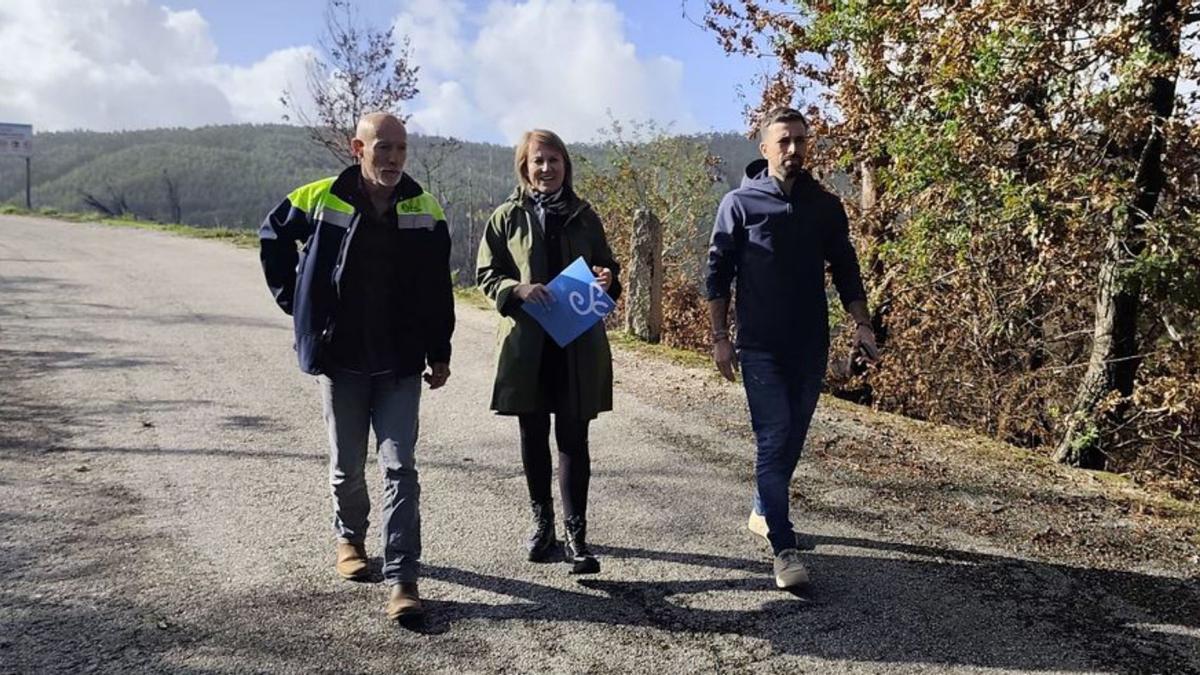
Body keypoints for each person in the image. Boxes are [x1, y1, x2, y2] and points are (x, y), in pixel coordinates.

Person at [259, 112, 454, 620]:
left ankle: (403, 577)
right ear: (357, 147)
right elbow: (272, 236)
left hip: (399, 363)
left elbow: (438, 289)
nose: (392, 158)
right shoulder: (321, 197)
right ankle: (350, 540)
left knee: (399, 469)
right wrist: (297, 304)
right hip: (340, 358)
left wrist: (441, 351)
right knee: (347, 467)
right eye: (382, 147)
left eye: (400, 149)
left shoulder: (425, 208)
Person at [705, 106, 879, 590]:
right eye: (783, 141)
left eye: (801, 141)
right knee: (773, 437)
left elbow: (846, 268)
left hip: (810, 345)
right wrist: (720, 338)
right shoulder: (739, 204)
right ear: (765, 148)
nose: (794, 150)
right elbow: (716, 275)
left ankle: (765, 507)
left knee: (792, 439)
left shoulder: (824, 206)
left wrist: (861, 324)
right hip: (758, 345)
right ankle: (782, 547)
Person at [475, 129, 620, 574]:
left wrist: (607, 277)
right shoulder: (506, 217)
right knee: (532, 436)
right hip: (528, 345)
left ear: (565, 166)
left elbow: (609, 267)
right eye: (538, 161)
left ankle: (577, 536)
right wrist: (516, 288)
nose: (546, 168)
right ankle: (544, 528)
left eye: (554, 160)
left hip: (576, 343)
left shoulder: (584, 215)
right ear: (524, 166)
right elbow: (486, 274)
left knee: (574, 439)